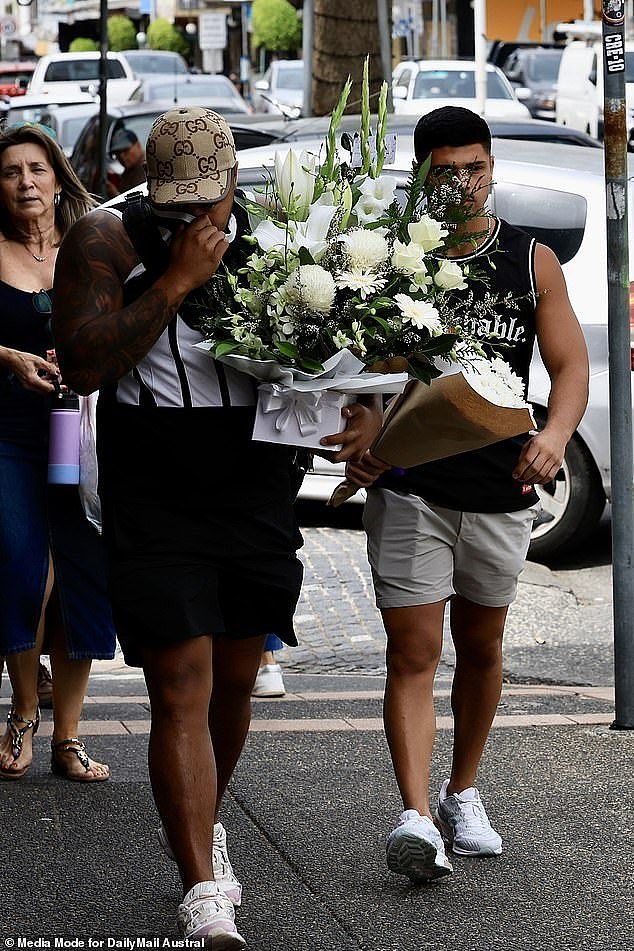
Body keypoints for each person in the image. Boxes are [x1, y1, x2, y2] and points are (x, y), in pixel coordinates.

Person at [52, 106, 381, 946]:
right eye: (177, 204)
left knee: (236, 678)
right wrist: (173, 283)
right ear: (145, 183)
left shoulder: (279, 234)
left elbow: (340, 350)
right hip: (153, 484)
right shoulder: (103, 239)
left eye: (209, 201)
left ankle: (204, 822)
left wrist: (364, 413)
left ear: (235, 182)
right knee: (180, 686)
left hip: (254, 483)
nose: (194, 217)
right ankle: (202, 885)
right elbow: (82, 362)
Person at [346, 106, 589, 884]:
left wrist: (554, 433)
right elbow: (359, 365)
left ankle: (462, 792)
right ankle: (415, 814)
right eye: (445, 171)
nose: (462, 182)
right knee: (413, 653)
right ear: (422, 176)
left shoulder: (530, 261)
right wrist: (364, 422)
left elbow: (571, 366)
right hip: (412, 486)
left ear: (493, 167)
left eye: (475, 167)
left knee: (483, 648)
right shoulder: (393, 260)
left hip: (503, 486)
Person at [0, 122, 116, 782]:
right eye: (12, 171)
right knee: (22, 560)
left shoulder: (89, 244)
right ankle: (23, 708)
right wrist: (8, 356)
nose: (25, 182)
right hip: (9, 431)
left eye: (36, 169)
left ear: (56, 175)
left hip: (75, 429)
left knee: (80, 572)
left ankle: (69, 736)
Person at [107, 127, 146, 197]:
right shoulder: (129, 170)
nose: (121, 157)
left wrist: (116, 195)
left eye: (125, 150)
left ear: (138, 145)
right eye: (117, 153)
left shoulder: (148, 167)